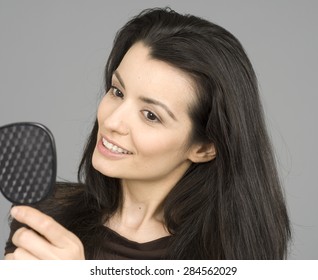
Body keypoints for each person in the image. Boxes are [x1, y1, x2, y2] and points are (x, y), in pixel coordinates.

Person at [4, 7, 291, 260]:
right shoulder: (46, 214)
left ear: (204, 147)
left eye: (151, 115)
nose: (113, 121)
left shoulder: (225, 259)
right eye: (117, 91)